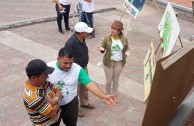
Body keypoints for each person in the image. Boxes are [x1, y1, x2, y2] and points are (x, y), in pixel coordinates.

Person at [47, 47, 117, 126]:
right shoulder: (48, 68)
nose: (68, 66)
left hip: (70, 103)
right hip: (52, 104)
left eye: (71, 63)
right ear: (58, 59)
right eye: (65, 63)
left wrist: (103, 96)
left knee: (72, 123)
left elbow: (89, 84)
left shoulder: (77, 69)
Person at [65, 21, 94, 117]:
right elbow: (67, 59)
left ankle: (84, 103)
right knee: (75, 90)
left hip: (83, 67)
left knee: (85, 86)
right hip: (75, 70)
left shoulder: (82, 38)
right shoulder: (70, 43)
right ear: (81, 33)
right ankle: (75, 110)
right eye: (87, 32)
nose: (88, 33)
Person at [23, 59, 62, 126]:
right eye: (44, 75)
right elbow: (53, 114)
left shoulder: (43, 82)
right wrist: (56, 100)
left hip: (55, 121)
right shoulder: (33, 97)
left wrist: (54, 100)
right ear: (33, 78)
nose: (47, 77)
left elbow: (58, 92)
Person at [98, 20, 130, 102]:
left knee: (116, 79)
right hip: (108, 62)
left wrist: (127, 52)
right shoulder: (107, 38)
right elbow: (102, 48)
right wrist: (101, 49)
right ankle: (107, 96)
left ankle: (114, 95)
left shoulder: (124, 39)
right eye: (112, 28)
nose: (112, 30)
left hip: (119, 62)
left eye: (115, 29)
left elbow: (126, 48)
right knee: (109, 80)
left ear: (119, 31)